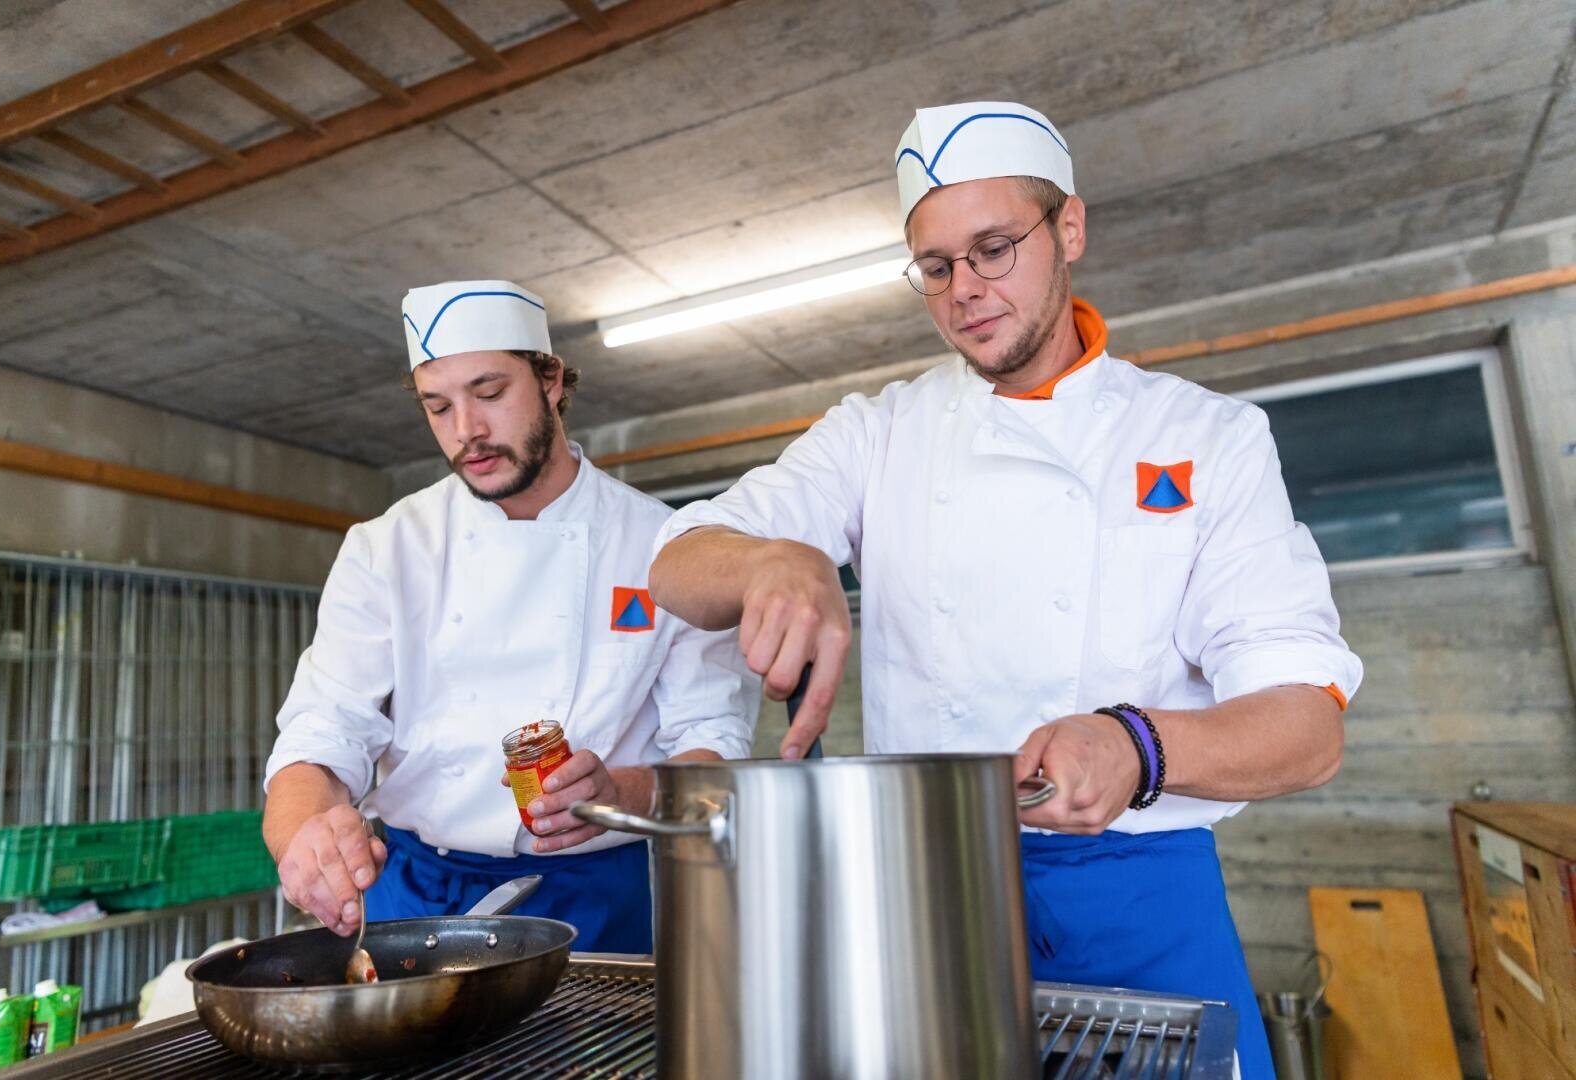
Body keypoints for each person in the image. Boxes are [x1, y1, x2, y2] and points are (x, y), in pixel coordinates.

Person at [647, 103, 1363, 1076]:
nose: (965, 292)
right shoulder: (879, 431)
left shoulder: (1206, 436)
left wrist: (1136, 742)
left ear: (1069, 227)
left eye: (993, 249)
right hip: (929, 891)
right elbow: (677, 560)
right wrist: (771, 562)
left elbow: (1307, 729)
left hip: (1140, 892)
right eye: (934, 267)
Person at [264, 279, 757, 953]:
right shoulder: (387, 548)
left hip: (602, 898)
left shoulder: (665, 545)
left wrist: (625, 790)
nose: (466, 431)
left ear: (551, 378)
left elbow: (713, 745)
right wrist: (304, 833)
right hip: (418, 893)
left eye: (490, 393)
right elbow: (323, 731)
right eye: (438, 407)